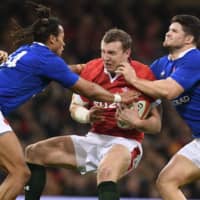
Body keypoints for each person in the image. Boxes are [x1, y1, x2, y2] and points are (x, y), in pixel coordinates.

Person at [0, 3, 136, 200]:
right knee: (20, 173)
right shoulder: (46, 58)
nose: (64, 44)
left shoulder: (27, 51)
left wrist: (79, 68)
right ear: (53, 39)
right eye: (62, 40)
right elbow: (87, 88)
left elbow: (55, 71)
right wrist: (117, 97)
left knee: (14, 167)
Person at [24, 28, 161, 200]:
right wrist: (87, 116)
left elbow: (156, 125)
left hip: (126, 143)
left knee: (106, 171)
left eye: (111, 52)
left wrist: (137, 123)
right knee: (34, 152)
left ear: (127, 53)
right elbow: (74, 108)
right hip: (94, 138)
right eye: (103, 51)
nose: (105, 57)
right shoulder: (92, 69)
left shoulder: (144, 74)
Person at [115, 14, 200, 200]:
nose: (168, 33)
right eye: (169, 29)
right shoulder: (162, 64)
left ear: (189, 39)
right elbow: (139, 89)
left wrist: (134, 79)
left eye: (174, 31)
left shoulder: (195, 59)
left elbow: (170, 91)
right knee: (166, 181)